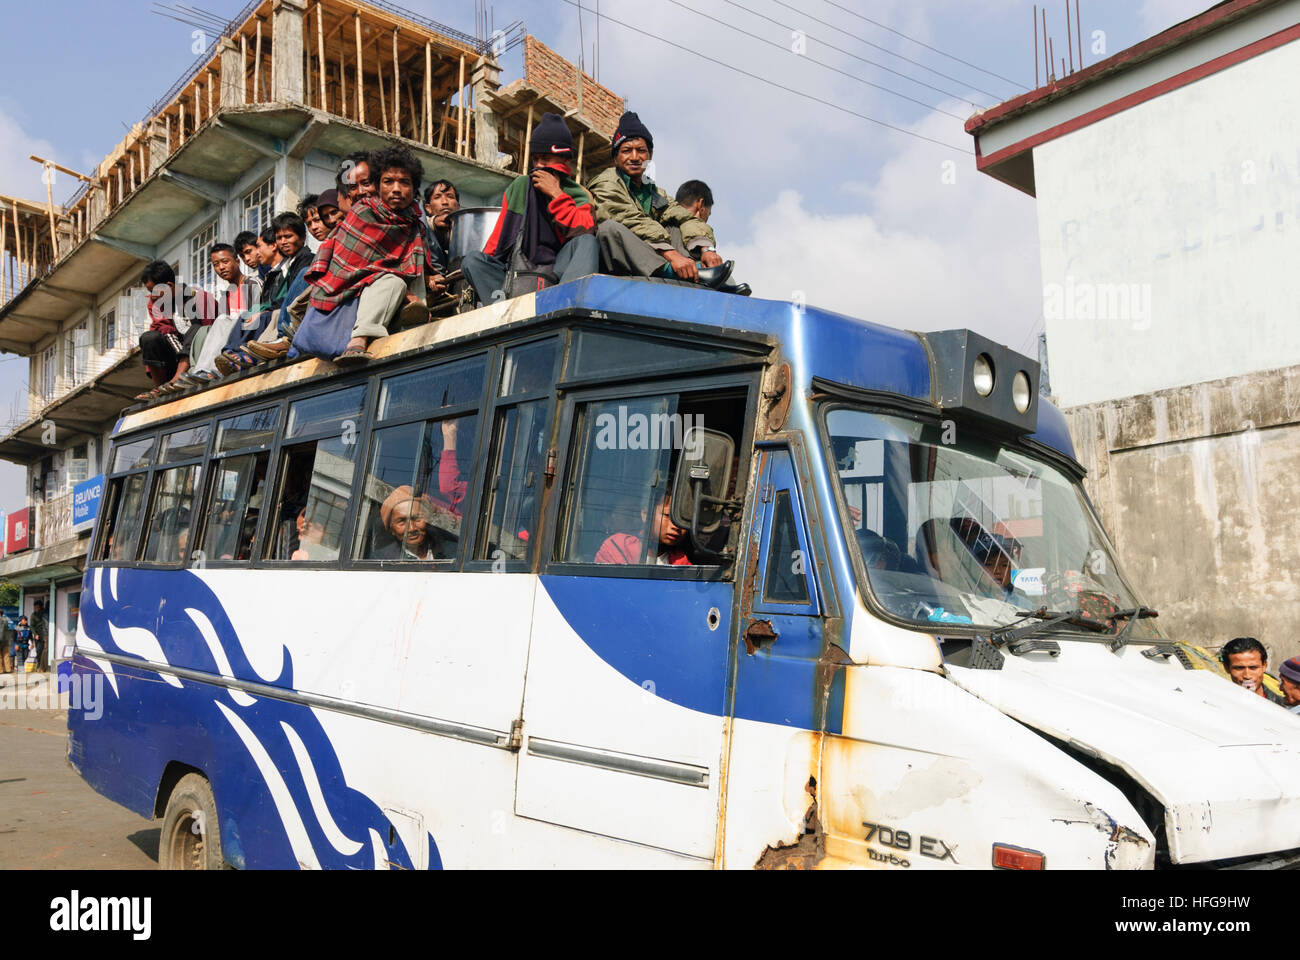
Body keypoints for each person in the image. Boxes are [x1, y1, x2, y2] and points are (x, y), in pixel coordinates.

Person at [589, 112, 749, 295]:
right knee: (610, 229)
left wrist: (707, 249)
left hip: (654, 255)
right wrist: (672, 256)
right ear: (615, 158)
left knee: (675, 225)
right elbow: (630, 220)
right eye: (626, 151)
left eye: (641, 150)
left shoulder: (652, 190)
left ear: (650, 155)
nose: (634, 157)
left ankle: (700, 273)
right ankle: (682, 273)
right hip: (622, 260)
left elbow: (684, 216)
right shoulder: (606, 181)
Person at [306, 145, 436, 365]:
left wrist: (430, 278)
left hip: (396, 302)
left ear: (414, 190)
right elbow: (350, 269)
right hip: (353, 297)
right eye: (388, 182)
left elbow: (413, 264)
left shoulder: (414, 224)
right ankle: (358, 340)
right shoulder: (362, 213)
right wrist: (404, 292)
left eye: (404, 182)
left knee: (397, 280)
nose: (396, 189)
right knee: (393, 281)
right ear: (378, 185)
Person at [462, 114, 599, 306]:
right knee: (473, 261)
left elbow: (584, 232)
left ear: (565, 160)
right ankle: (502, 311)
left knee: (587, 242)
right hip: (516, 275)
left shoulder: (579, 194)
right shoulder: (519, 187)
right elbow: (498, 241)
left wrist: (557, 195)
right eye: (536, 159)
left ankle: (566, 307)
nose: (539, 166)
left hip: (557, 275)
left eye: (546, 159)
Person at [179, 243, 262, 385]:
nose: (221, 268)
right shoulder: (226, 295)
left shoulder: (251, 283)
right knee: (202, 331)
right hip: (231, 338)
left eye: (225, 262)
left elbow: (254, 315)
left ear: (237, 261)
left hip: (248, 335)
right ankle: (199, 371)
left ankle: (206, 370)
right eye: (216, 264)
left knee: (222, 319)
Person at [136, 260, 219, 398]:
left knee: (196, 329)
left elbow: (210, 333)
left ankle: (177, 380)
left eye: (154, 291)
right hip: (174, 359)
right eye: (150, 292)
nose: (153, 296)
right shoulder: (156, 304)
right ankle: (161, 389)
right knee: (149, 338)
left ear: (169, 286)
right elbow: (163, 329)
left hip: (202, 358)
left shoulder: (200, 298)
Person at [244, 212, 316, 360]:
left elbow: (292, 296)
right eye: (279, 238)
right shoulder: (290, 264)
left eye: (288, 236)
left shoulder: (307, 260)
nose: (283, 242)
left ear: (302, 237)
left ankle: (284, 339)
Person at [595, 493, 693, 566]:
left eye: (683, 519)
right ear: (646, 514)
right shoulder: (619, 547)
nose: (676, 526)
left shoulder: (681, 562)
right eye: (667, 515)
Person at [373, 486, 448, 561]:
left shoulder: (452, 552)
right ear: (391, 530)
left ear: (428, 519)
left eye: (417, 518)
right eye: (401, 521)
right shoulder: (381, 560)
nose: (411, 528)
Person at [1220, 637, 1287, 705]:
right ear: (1226, 668)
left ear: (1264, 666)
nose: (1247, 675)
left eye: (1253, 667)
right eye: (1239, 668)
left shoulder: (1283, 709)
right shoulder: (1218, 703)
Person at [423, 179, 460, 276]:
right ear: (428, 208)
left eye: (450, 196)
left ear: (458, 207)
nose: (445, 202)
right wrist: (434, 223)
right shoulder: (421, 224)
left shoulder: (466, 231)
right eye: (437, 197)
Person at [30, 598, 48, 673]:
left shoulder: (45, 613)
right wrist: (35, 634)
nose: (36, 609)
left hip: (45, 634)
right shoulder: (33, 615)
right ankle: (39, 666)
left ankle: (43, 667)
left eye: (37, 607)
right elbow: (32, 626)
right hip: (38, 634)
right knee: (39, 651)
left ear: (41, 607)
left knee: (44, 651)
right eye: (35, 607)